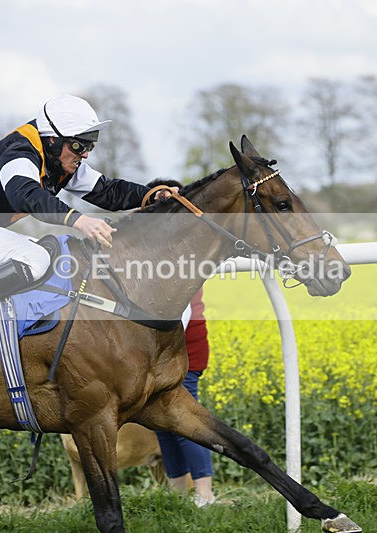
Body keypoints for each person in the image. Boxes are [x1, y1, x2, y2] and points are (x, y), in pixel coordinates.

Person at [0, 94, 177, 375]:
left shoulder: (60, 161)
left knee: (51, 256)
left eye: (90, 145)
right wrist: (77, 220)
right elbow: (24, 194)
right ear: (52, 139)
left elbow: (108, 190)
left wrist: (152, 195)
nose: (86, 154)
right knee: (36, 259)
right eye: (79, 145)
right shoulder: (20, 151)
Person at [148, 178, 216, 508]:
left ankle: (205, 493)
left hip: (183, 344)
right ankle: (178, 492)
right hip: (153, 347)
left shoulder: (188, 246)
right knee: (161, 422)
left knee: (186, 419)